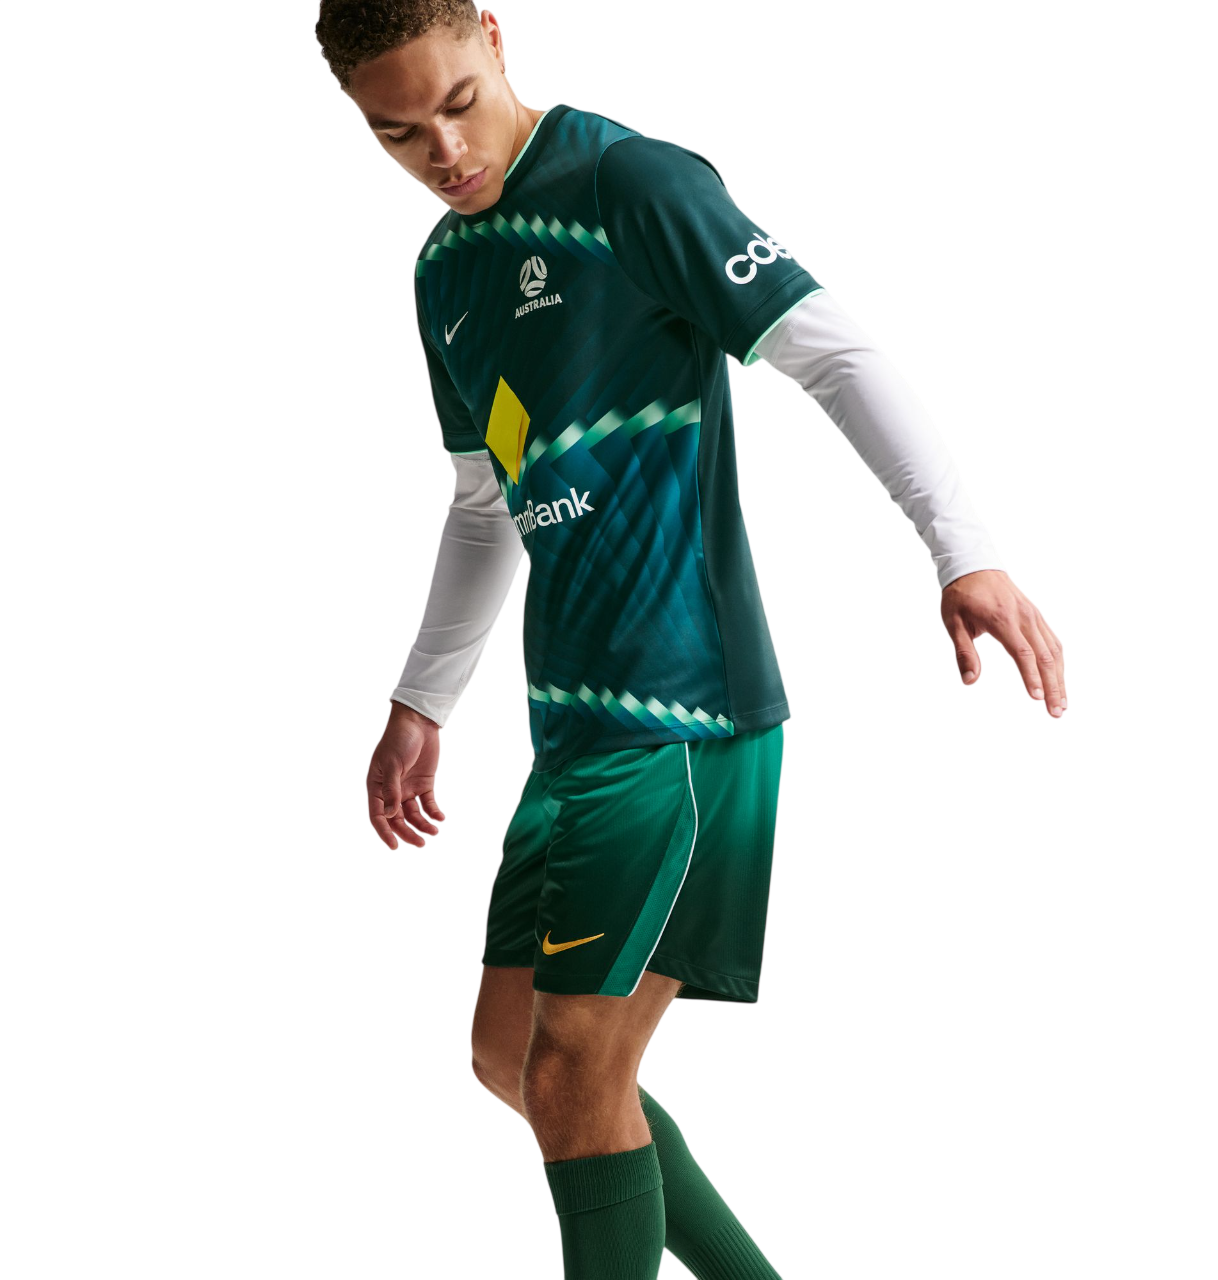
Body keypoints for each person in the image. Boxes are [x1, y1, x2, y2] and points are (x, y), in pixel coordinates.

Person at [321, 3, 1067, 1276]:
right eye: (397, 134)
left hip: (682, 703)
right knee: (509, 1055)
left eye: (455, 104)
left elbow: (833, 354)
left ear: (493, 39)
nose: (442, 151)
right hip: (569, 725)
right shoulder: (442, 270)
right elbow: (486, 503)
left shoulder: (628, 181)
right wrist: (420, 701)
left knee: (572, 1066)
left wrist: (964, 552)